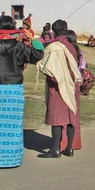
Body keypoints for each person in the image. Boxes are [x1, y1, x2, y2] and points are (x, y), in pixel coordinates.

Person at [0, 17, 44, 168]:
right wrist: (33, 39)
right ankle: (12, 159)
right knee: (14, 126)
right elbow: (38, 54)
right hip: (14, 89)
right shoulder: (18, 45)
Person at [37, 20, 82, 159]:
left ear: (54, 32)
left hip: (58, 86)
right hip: (72, 85)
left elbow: (50, 69)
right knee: (70, 115)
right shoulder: (72, 47)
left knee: (56, 117)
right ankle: (69, 148)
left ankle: (55, 149)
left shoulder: (54, 47)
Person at [64, 30, 86, 151]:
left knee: (63, 113)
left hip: (65, 83)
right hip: (76, 84)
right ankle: (73, 143)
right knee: (73, 113)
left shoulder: (65, 51)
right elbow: (82, 67)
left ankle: (62, 143)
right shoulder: (79, 52)